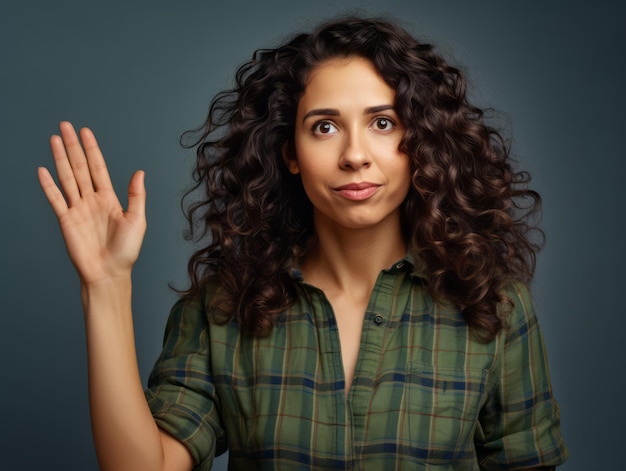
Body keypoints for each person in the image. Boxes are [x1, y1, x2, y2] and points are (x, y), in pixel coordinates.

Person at [37, 16, 568, 471]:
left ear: (420, 144)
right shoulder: (226, 307)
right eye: (324, 127)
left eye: (383, 123)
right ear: (289, 152)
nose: (355, 155)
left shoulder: (492, 306)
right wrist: (106, 284)